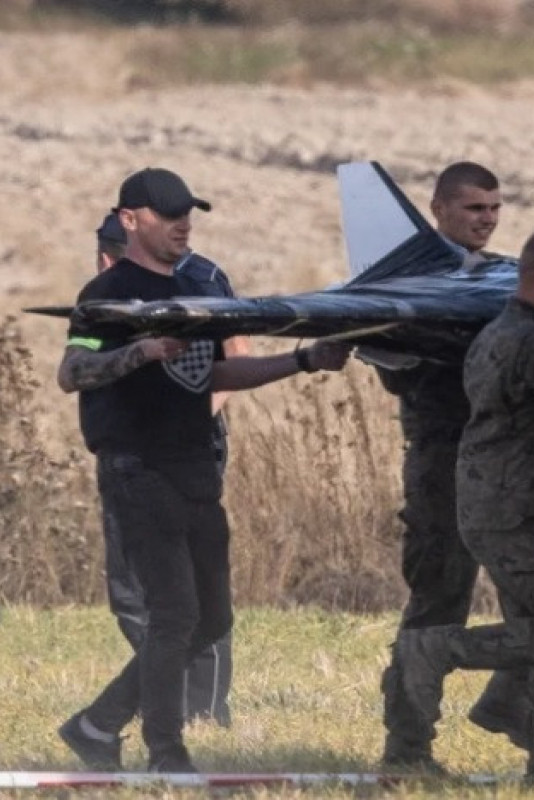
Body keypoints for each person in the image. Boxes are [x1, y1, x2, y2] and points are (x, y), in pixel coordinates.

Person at [57, 168, 352, 773]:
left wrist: (303, 360)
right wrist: (139, 351)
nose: (182, 225)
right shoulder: (105, 296)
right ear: (130, 220)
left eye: (187, 214)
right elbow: (72, 372)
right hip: (136, 469)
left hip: (194, 467)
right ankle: (166, 750)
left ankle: (96, 724)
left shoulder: (198, 291)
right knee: (174, 613)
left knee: (212, 617)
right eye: (168, 215)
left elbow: (214, 373)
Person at [393, 227, 534, 782]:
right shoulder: (532, 344)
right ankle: (440, 649)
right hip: (513, 508)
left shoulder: (504, 332)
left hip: (532, 498)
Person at [374, 161, 510, 771]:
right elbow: (389, 362)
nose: (487, 219)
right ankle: (407, 747)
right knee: (441, 598)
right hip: (442, 460)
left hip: (506, 459)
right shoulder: (413, 283)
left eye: (494, 208)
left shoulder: (496, 276)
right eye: (475, 208)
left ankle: (512, 702)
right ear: (439, 210)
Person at [93, 213, 246, 728]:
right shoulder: (107, 293)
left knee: (198, 594)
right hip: (128, 455)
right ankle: (159, 699)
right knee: (132, 594)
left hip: (187, 454)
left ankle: (203, 709)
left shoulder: (201, 279)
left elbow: (236, 356)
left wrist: (184, 420)